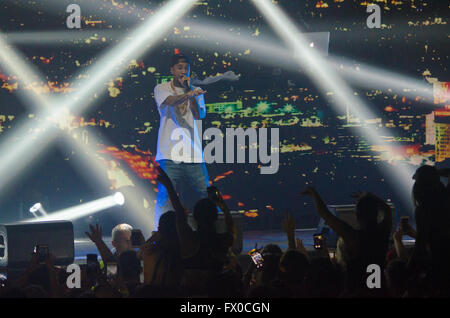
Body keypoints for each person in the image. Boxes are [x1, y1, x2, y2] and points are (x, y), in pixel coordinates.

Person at [153, 52, 209, 229]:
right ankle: (160, 233)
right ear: (172, 70)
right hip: (169, 154)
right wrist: (189, 93)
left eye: (186, 68)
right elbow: (170, 102)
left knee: (206, 195)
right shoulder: (162, 88)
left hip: (194, 154)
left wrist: (192, 93)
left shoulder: (195, 91)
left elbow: (200, 115)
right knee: (165, 198)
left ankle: (210, 230)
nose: (183, 71)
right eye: (179, 68)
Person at [302, 187, 392, 294]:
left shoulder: (353, 237)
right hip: (379, 291)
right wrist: (369, 195)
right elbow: (387, 210)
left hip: (357, 291)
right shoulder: (383, 233)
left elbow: (324, 213)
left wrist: (313, 193)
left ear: (357, 215)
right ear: (376, 213)